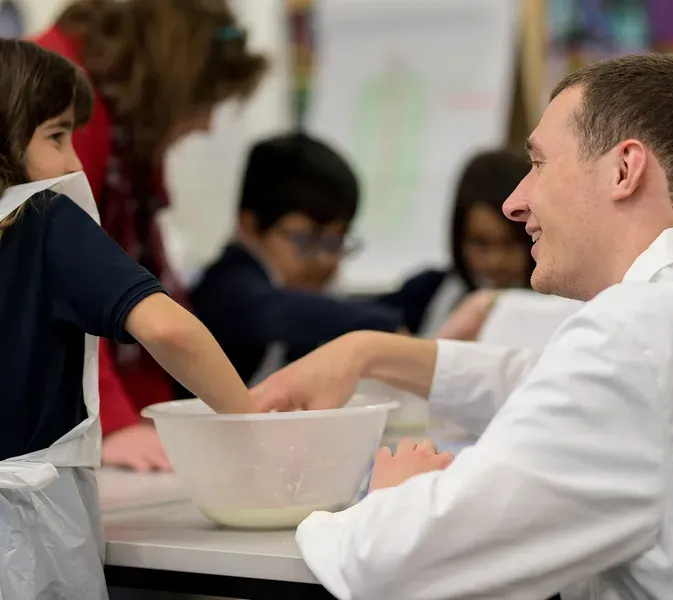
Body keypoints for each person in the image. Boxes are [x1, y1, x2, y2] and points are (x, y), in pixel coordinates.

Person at [250, 53, 673, 599]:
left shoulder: (637, 336)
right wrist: (369, 353)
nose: (515, 203)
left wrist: (391, 498)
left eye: (537, 164)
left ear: (624, 170)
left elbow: (392, 566)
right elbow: (558, 385)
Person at [0, 39, 256, 598]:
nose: (72, 162)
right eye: (57, 135)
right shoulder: (43, 221)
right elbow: (168, 328)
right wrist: (255, 425)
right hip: (23, 545)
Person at [33, 0, 268, 471]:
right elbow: (65, 283)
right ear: (173, 83)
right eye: (205, 102)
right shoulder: (74, 107)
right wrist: (258, 438)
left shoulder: (128, 121)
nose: (205, 124)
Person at [190, 133, 404, 386]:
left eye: (336, 242)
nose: (325, 259)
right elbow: (264, 313)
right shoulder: (228, 285)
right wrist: (384, 325)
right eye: (305, 239)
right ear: (249, 225)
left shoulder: (295, 298)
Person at [377, 149, 532, 337]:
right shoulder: (426, 291)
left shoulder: (561, 305)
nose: (495, 261)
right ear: (459, 238)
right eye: (480, 244)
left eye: (511, 244)